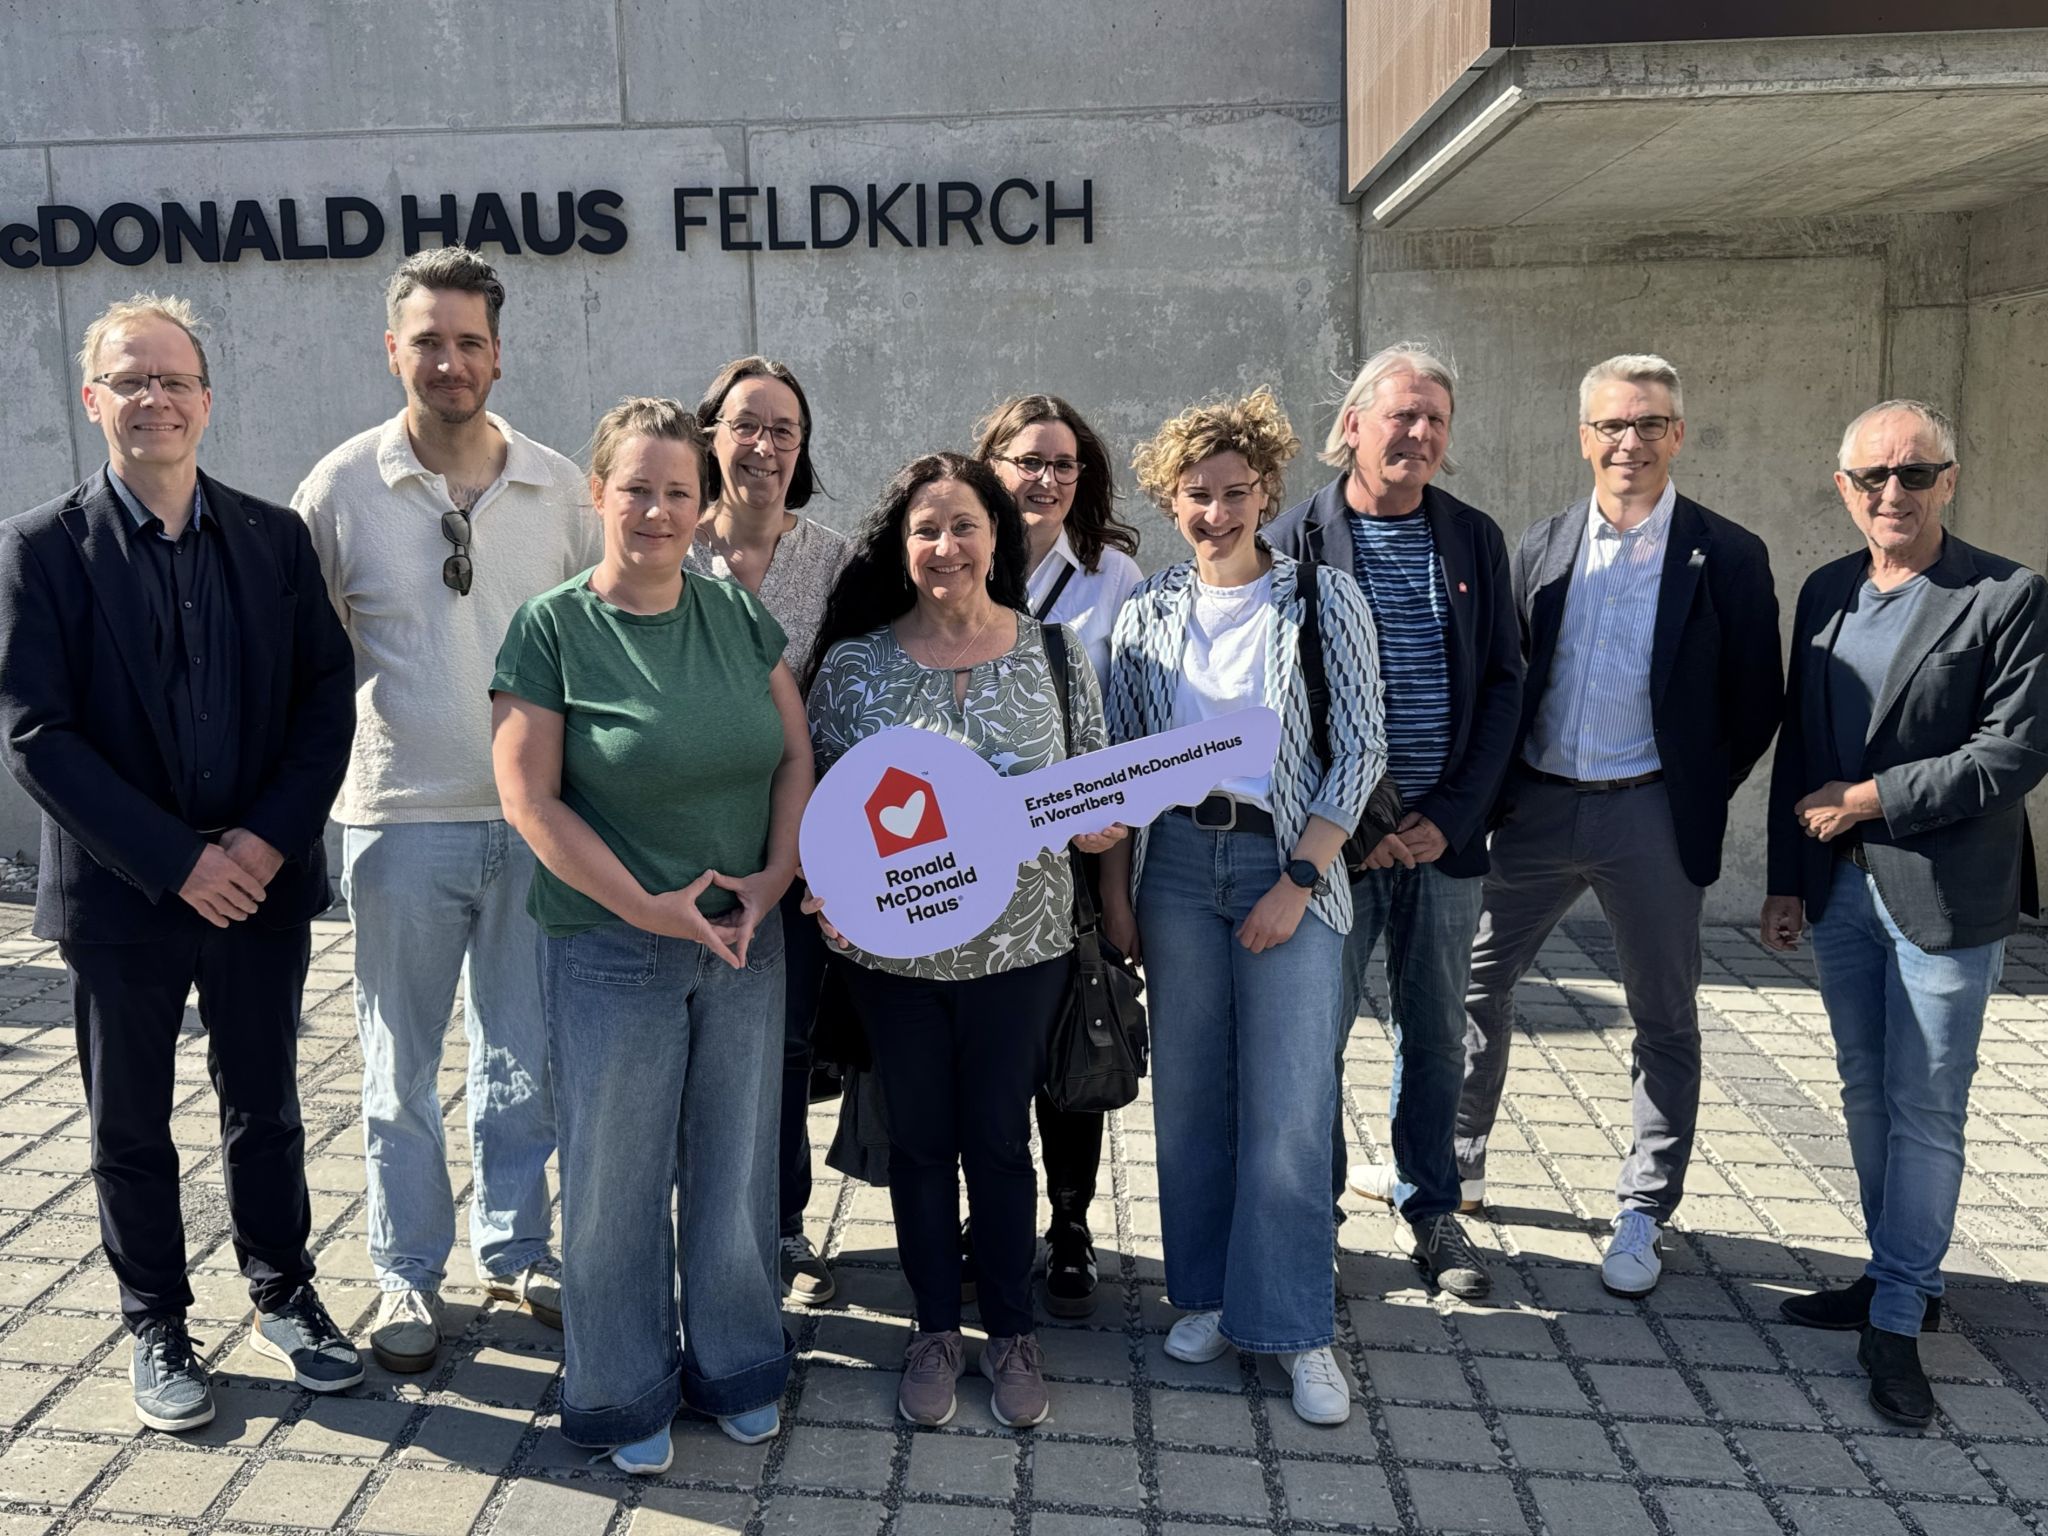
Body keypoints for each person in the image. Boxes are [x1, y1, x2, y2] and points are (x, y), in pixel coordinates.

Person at [0, 294, 361, 1431]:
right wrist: (174, 862)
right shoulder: (41, 549)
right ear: (92, 398)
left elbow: (322, 702)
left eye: (174, 378)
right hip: (123, 897)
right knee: (126, 1122)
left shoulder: (271, 537)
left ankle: (284, 1293)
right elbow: (35, 732)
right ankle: (156, 1317)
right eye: (130, 378)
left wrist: (257, 842)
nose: (154, 397)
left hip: (258, 887)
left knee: (266, 1107)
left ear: (206, 399)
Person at [491, 398, 809, 1473]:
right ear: (598, 495)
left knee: (733, 1171)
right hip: (612, 948)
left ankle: (736, 1365)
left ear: (701, 502)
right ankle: (622, 1390)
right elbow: (531, 801)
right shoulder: (551, 628)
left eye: (679, 491)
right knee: (615, 1182)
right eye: (636, 488)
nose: (658, 510)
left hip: (743, 940)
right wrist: (647, 907)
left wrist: (776, 873)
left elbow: (792, 759)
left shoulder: (735, 616)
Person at [294, 248, 595, 1373]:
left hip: (536, 823)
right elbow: (307, 664)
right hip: (399, 820)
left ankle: (518, 1250)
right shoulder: (339, 490)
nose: (450, 360)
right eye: (427, 340)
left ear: (498, 352)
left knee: (527, 1053)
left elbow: (600, 644)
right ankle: (405, 1275)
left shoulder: (562, 486)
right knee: (397, 1067)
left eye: (469, 341)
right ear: (393, 350)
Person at [803, 453, 1119, 1431]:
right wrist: (823, 890)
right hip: (892, 961)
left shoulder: (1056, 654)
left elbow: (1099, 791)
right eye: (925, 529)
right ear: (903, 547)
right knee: (920, 1144)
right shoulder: (854, 665)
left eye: (963, 526)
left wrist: (1099, 829)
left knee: (998, 1141)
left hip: (1019, 953)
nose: (945, 547)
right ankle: (934, 1330)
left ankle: (1012, 1335)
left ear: (997, 537)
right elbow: (815, 802)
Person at [1457, 354, 1782, 1299]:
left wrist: (1691, 787)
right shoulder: (1544, 546)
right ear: (1584, 435)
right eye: (1611, 425)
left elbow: (1756, 700)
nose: (1629, 442)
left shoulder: (1726, 554)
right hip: (1539, 807)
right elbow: (1509, 682)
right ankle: (1461, 1161)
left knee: (1664, 1016)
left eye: (1648, 424)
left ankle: (1643, 1208)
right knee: (1474, 984)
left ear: (1677, 434)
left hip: (1648, 810)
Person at [1101, 388, 1386, 1428]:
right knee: (1190, 1101)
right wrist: (1115, 892)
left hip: (1283, 861)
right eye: (1195, 496)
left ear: (1267, 491)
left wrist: (1297, 882)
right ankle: (1218, 1300)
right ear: (1170, 501)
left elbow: (1358, 749)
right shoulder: (1147, 611)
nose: (1216, 513)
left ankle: (1297, 1326)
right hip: (1175, 866)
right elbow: (1128, 767)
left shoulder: (1320, 600)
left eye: (1235, 493)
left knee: (1285, 1109)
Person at [1763, 400, 2048, 1427]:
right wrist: (1786, 878)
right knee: (1863, 1090)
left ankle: (1894, 1316)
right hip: (1839, 891)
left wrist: (1870, 800)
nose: (1892, 493)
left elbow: (2011, 751)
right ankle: (1900, 1278)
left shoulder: (2005, 596)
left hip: (1943, 895)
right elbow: (1802, 741)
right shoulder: (1828, 590)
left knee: (1924, 1108)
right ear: (1842, 490)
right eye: (1871, 477)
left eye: (1912, 474)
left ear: (1948, 480)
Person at [1267, 345, 1522, 1303]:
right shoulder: (1296, 536)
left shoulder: (1472, 538)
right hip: (1335, 844)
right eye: (1401, 416)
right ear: (1354, 426)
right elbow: (1286, 693)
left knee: (1434, 1031)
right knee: (1316, 1030)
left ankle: (1431, 1205)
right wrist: (1359, 820)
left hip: (1444, 843)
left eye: (1434, 422)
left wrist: (1448, 818)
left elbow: (1503, 684)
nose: (1416, 435)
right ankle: (1314, 1215)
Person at [971, 393, 1144, 1318]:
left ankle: (1070, 1226)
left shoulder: (1115, 577)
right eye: (1025, 460)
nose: (1044, 479)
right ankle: (983, 1221)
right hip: (969, 852)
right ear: (990, 461)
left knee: (1069, 1047)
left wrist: (1117, 890)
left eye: (1063, 465)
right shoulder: (957, 554)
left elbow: (1124, 745)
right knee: (986, 1051)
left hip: (1079, 854)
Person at [687, 356, 851, 1309]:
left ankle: (782, 1223)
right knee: (689, 1042)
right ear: (711, 435)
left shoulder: (832, 561)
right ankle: (700, 1217)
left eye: (783, 431)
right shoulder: (670, 539)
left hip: (796, 843)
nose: (763, 446)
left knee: (781, 1046)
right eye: (745, 425)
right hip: (682, 841)